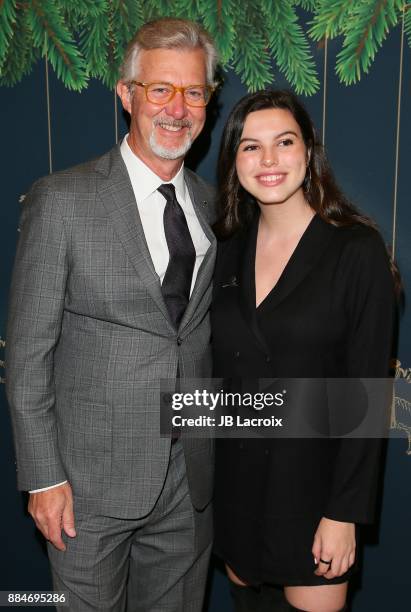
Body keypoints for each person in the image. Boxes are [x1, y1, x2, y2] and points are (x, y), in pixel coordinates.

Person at [6, 18, 218, 612]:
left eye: (194, 92)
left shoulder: (212, 203)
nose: (177, 108)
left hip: (189, 483)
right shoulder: (62, 200)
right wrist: (44, 478)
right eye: (160, 89)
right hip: (86, 486)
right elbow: (27, 354)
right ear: (126, 95)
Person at [211, 90, 396, 612]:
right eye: (250, 147)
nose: (268, 160)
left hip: (315, 502)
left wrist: (344, 516)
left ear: (309, 152)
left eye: (284, 142)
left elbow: (365, 396)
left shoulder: (355, 250)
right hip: (238, 500)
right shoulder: (225, 250)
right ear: (234, 162)